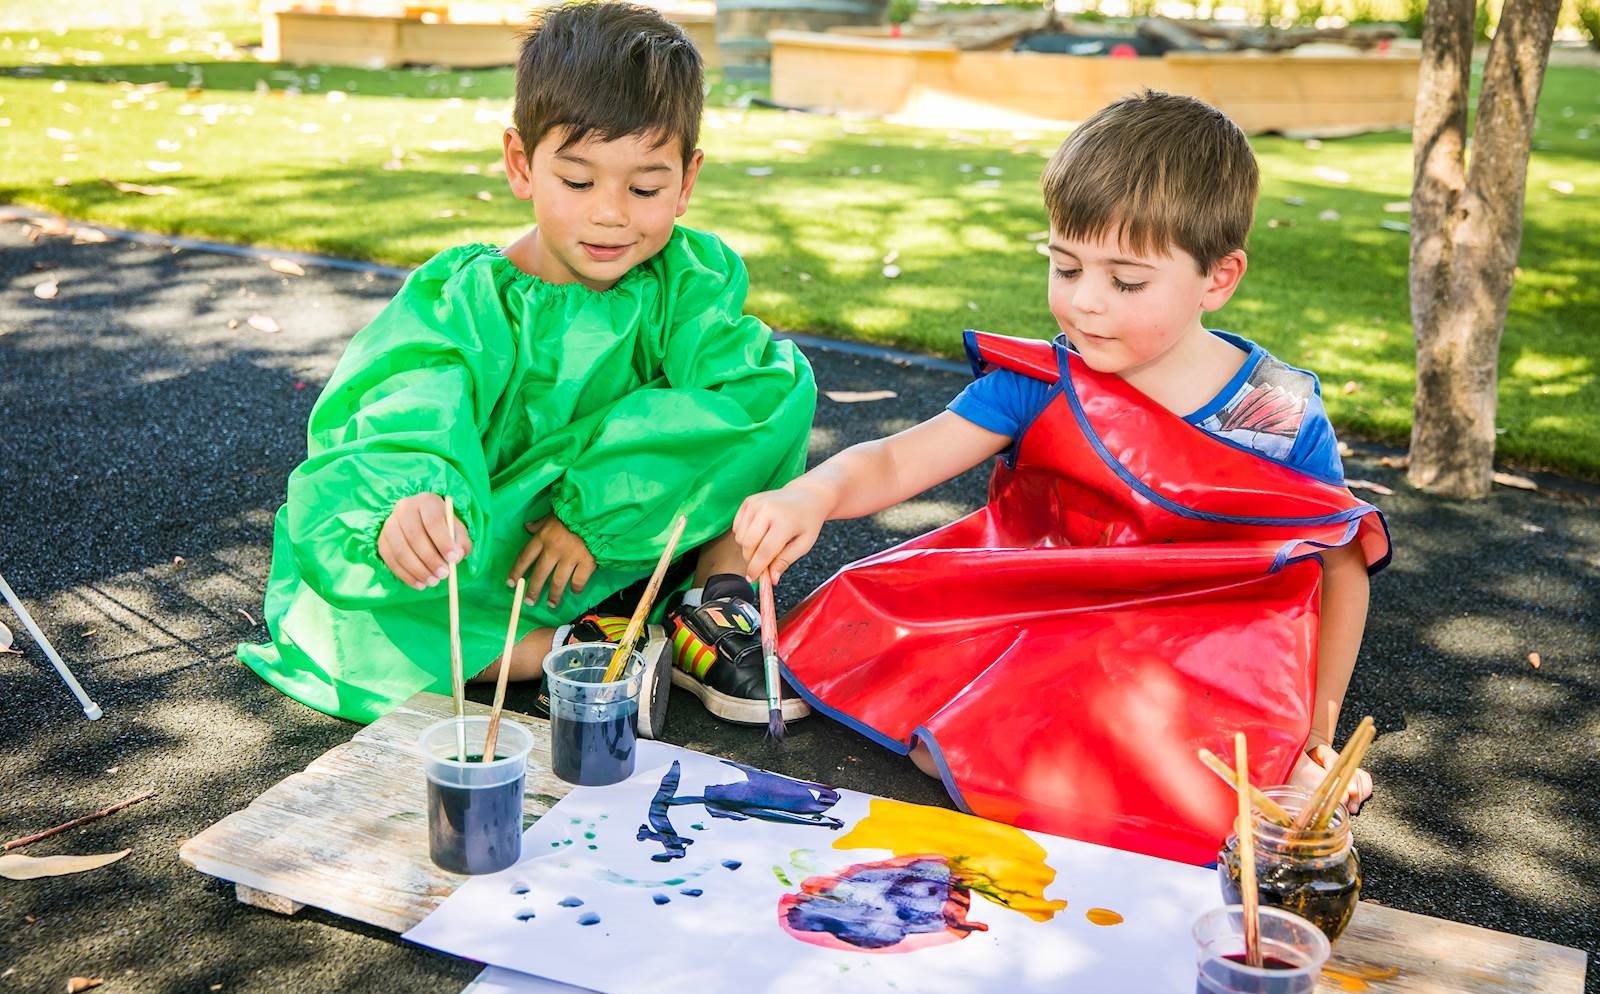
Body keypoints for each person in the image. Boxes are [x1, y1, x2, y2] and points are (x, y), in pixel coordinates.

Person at [734, 90, 1391, 865]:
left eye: (1127, 281)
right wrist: (813, 492)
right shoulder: (1045, 379)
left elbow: (1342, 563)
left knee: (1146, 738)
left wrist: (1319, 732)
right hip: (1043, 594)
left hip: (1198, 637)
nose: (1085, 302)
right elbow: (901, 456)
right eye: (1065, 265)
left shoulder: (1271, 416)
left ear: (1219, 279)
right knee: (881, 619)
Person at [238, 1, 815, 728]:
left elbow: (754, 400)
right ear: (522, 164)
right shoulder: (470, 297)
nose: (610, 215)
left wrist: (595, 517)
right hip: (508, 556)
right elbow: (413, 392)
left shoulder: (687, 282)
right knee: (348, 617)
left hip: (638, 530)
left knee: (777, 386)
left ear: (687, 180)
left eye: (644, 189)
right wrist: (411, 496)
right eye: (578, 182)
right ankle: (575, 647)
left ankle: (716, 606)